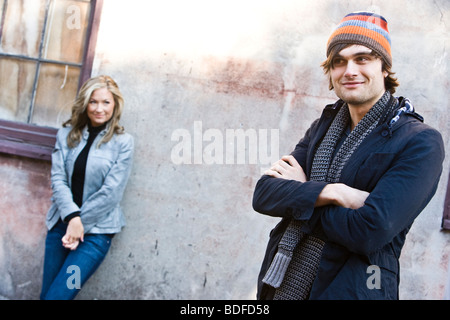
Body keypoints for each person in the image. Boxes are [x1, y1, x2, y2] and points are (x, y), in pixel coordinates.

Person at [252, 11, 445, 300]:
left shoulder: (419, 142)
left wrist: (304, 194)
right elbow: (264, 194)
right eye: (338, 61)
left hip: (356, 289)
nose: (349, 70)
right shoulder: (323, 127)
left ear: (385, 68)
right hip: (283, 286)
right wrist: (335, 192)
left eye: (362, 59)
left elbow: (369, 231)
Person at [40, 75, 134, 300]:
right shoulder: (65, 135)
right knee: (47, 296)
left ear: (115, 105)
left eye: (106, 102)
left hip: (95, 235)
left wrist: (80, 224)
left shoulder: (124, 142)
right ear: (85, 103)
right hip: (61, 227)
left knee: (59, 296)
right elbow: (58, 179)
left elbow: (111, 192)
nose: (99, 108)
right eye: (93, 102)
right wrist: (72, 218)